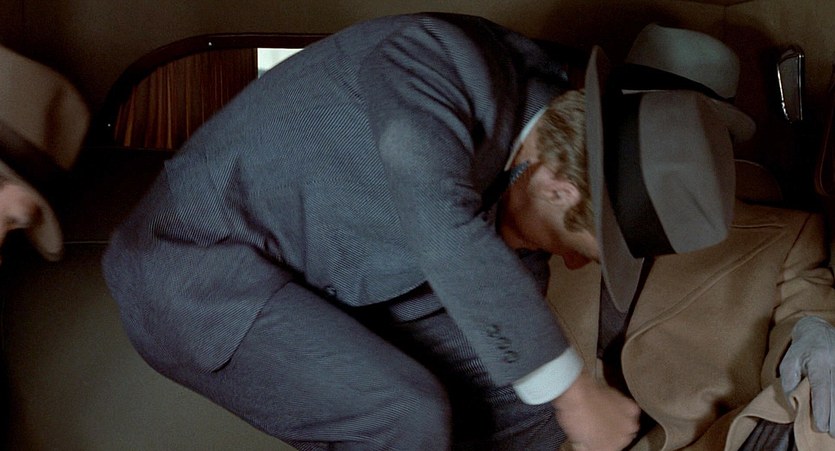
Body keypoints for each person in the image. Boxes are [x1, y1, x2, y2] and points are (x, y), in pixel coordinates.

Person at [102, 13, 744, 450]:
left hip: (319, 283)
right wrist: (575, 391)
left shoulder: (516, 229)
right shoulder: (438, 59)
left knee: (519, 410)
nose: (573, 266)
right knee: (403, 414)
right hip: (196, 265)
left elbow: (518, 384)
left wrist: (567, 416)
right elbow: (436, 213)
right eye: (582, 248)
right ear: (557, 187)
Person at [546, 24, 835, 450]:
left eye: (671, 131)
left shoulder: (785, 236)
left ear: (715, 142)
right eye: (634, 125)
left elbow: (808, 311)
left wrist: (814, 329)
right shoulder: (554, 209)